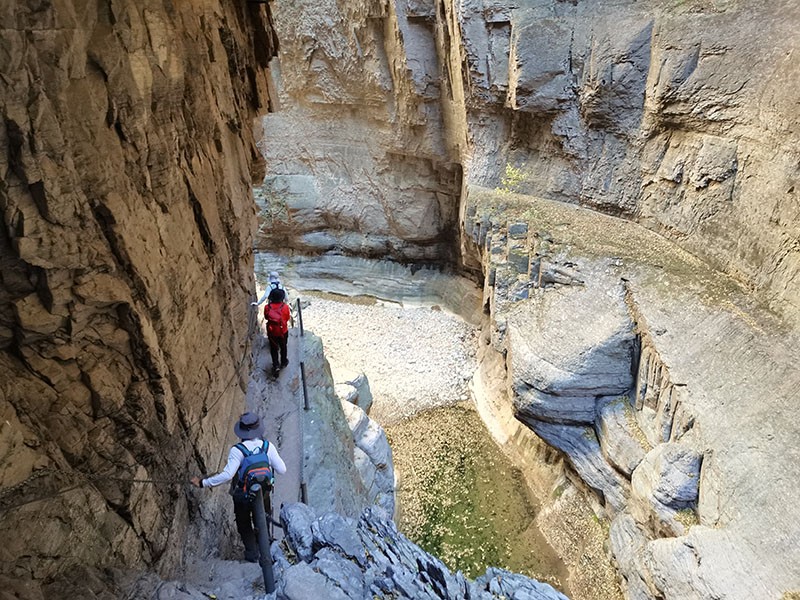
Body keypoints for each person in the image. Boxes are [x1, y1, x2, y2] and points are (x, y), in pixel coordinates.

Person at [190, 412, 287, 562]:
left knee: (244, 523)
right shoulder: (268, 447)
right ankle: (265, 550)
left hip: (242, 495)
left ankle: (251, 555)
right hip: (263, 492)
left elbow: (228, 475)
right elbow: (282, 470)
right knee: (263, 518)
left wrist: (204, 483)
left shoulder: (238, 450)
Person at [264, 293, 291, 377]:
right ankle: (283, 362)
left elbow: (266, 317)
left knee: (274, 348)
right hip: (283, 331)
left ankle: (275, 365)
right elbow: (287, 318)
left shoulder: (267, 307)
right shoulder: (285, 307)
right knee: (283, 347)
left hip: (272, 332)